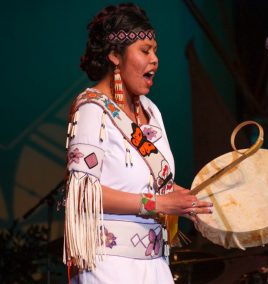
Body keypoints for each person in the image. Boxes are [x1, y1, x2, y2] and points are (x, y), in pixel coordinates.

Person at [63, 3, 213, 283]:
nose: (154, 59)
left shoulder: (151, 110)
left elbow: (159, 185)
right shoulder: (92, 110)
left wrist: (191, 203)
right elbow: (82, 194)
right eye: (145, 51)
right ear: (114, 55)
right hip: (107, 266)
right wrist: (158, 204)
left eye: (155, 50)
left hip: (156, 264)